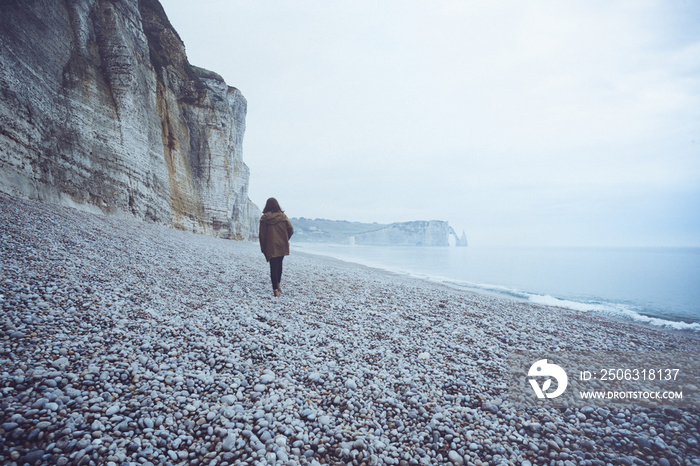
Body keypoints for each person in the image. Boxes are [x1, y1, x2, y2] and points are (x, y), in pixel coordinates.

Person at [259, 198, 294, 297]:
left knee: (273, 267)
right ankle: (278, 285)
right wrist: (285, 238)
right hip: (282, 244)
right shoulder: (283, 216)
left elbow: (262, 235)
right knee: (279, 265)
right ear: (277, 205)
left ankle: (275, 290)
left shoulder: (264, 218)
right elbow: (291, 229)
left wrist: (263, 247)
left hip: (271, 245)